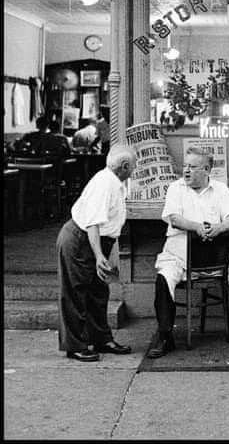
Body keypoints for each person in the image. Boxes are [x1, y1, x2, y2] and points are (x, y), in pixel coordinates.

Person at [148, 146, 229, 358]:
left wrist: (219, 228)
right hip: (180, 252)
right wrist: (197, 227)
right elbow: (174, 218)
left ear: (206, 169)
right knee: (164, 279)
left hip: (216, 253)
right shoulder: (176, 188)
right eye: (185, 165)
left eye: (193, 167)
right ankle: (165, 335)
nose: (186, 170)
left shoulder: (220, 189)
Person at [56, 143, 137, 362]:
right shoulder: (104, 184)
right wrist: (100, 255)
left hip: (98, 241)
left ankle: (101, 338)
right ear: (125, 166)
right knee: (76, 292)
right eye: (134, 166)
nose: (134, 170)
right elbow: (93, 223)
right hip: (82, 238)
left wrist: (106, 254)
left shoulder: (115, 182)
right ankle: (75, 345)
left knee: (98, 292)